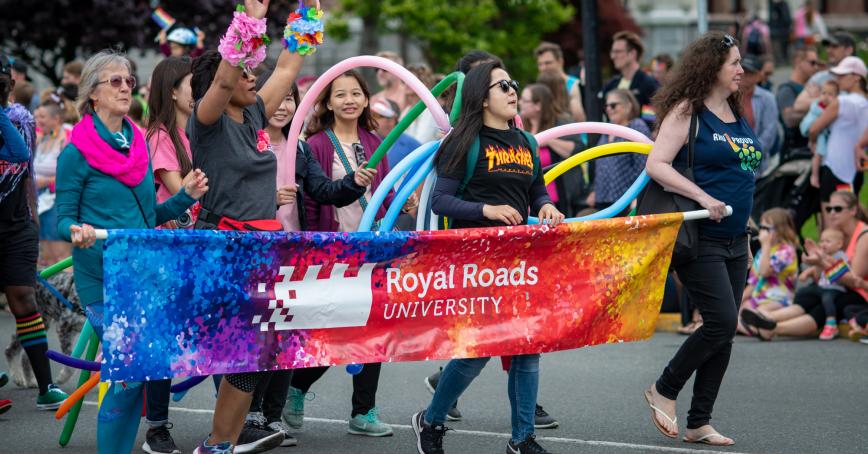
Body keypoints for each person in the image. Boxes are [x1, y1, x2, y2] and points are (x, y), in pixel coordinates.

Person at [55, 50, 208, 454]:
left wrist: (185, 197)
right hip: (102, 278)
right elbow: (60, 217)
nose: (126, 87)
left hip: (144, 273)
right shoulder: (76, 153)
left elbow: (149, 215)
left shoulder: (138, 144)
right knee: (127, 372)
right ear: (93, 95)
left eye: (129, 80)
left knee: (138, 370)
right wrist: (77, 231)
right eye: (115, 82)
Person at [411, 60, 564, 454]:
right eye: (502, 86)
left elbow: (537, 192)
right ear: (481, 99)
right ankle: (431, 420)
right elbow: (441, 198)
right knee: (477, 353)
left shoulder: (527, 143)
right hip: (479, 263)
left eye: (513, 83)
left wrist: (546, 207)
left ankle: (522, 439)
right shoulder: (465, 142)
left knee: (528, 348)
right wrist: (488, 210)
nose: (513, 91)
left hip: (522, 261)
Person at [186, 0, 315, 450]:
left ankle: (221, 442)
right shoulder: (207, 120)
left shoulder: (256, 112)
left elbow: (288, 64)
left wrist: (307, 17)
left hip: (262, 249)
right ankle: (208, 440)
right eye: (245, 72)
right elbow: (224, 77)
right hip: (221, 248)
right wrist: (252, 21)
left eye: (251, 72)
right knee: (241, 349)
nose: (251, 77)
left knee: (255, 356)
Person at [643, 32, 760, 446]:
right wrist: (702, 197)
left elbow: (744, 176)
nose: (740, 70)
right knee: (721, 323)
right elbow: (657, 163)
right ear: (712, 67)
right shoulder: (687, 111)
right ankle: (665, 388)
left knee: (724, 333)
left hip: (735, 238)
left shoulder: (735, 111)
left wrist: (748, 230)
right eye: (733, 63)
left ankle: (699, 421)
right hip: (701, 237)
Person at [245, 71, 373, 448]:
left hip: (295, 255)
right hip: (257, 250)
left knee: (289, 339)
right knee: (261, 340)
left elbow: (324, 190)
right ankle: (249, 415)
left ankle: (271, 416)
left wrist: (355, 183)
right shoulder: (249, 143)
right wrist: (269, 201)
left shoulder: (299, 149)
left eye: (290, 99)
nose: (283, 106)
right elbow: (229, 195)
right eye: (277, 98)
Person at [288, 69, 398, 438]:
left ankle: (364, 411)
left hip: (373, 249)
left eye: (355, 93)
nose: (349, 100)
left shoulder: (375, 140)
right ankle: (296, 389)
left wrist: (402, 201)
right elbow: (315, 194)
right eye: (340, 94)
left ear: (366, 99)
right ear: (328, 102)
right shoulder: (316, 143)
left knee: (375, 330)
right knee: (333, 331)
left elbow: (385, 193)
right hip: (332, 251)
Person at [2, 51, 70, 412]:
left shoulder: (20, 118)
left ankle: (46, 386)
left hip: (16, 225)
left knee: (24, 298)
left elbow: (17, 156)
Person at [741, 191, 868, 340]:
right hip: (835, 286)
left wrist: (821, 263)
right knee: (807, 295)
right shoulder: (835, 234)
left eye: (838, 209)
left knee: (824, 304)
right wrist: (815, 267)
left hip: (857, 293)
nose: (832, 213)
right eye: (828, 209)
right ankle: (766, 317)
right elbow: (825, 271)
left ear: (853, 210)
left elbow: (854, 280)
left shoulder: (863, 236)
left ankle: (773, 327)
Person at [807, 56, 867, 201]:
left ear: (856, 77)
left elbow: (813, 129)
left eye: (843, 75)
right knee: (851, 212)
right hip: (857, 169)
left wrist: (813, 142)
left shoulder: (843, 101)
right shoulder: (865, 102)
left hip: (835, 168)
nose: (838, 79)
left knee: (830, 215)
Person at [520, 83, 581, 214]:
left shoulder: (561, 123)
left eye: (525, 101)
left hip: (558, 200)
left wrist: (548, 140)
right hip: (529, 202)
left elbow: (577, 150)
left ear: (538, 105)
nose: (520, 103)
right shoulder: (519, 127)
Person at [588, 89, 651, 215]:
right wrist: (594, 190)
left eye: (613, 105)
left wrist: (638, 195)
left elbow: (644, 166)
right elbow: (600, 164)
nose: (609, 109)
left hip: (626, 199)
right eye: (606, 106)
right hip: (603, 198)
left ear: (628, 106)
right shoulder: (608, 129)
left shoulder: (636, 127)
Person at [737, 208, 798, 335]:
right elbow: (753, 283)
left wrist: (765, 245)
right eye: (761, 227)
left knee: (759, 312)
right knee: (737, 310)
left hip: (777, 299)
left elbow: (765, 272)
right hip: (758, 298)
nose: (762, 232)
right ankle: (748, 327)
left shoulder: (786, 251)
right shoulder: (761, 253)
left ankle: (752, 328)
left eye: (767, 228)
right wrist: (736, 302)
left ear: (780, 230)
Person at [33, 95, 72, 266]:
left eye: (41, 117)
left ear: (56, 118)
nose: (37, 121)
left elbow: (74, 171)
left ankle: (64, 292)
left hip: (58, 199)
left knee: (60, 255)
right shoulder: (42, 137)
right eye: (35, 116)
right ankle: (49, 292)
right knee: (46, 255)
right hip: (39, 199)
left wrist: (48, 180)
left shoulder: (68, 135)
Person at [797, 228, 849, 340]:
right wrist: (806, 273)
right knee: (803, 292)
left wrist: (822, 257)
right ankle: (800, 313)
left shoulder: (841, 255)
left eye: (828, 241)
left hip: (835, 288)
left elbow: (837, 267)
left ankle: (831, 323)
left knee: (827, 299)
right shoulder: (823, 254)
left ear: (839, 244)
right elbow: (817, 270)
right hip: (822, 286)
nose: (823, 244)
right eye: (822, 241)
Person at [601, 31, 660, 126]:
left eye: (617, 52)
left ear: (632, 53)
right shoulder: (611, 85)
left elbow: (651, 120)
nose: (613, 56)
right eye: (612, 52)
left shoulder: (648, 84)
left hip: (638, 138)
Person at [792, 31, 854, 118]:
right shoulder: (820, 77)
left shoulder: (860, 77)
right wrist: (823, 100)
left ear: (849, 50)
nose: (828, 50)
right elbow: (799, 105)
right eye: (828, 46)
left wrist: (823, 100)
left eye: (834, 46)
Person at [739, 54, 779, 171]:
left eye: (750, 72)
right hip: (731, 161)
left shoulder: (767, 98)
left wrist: (750, 156)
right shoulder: (727, 96)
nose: (744, 75)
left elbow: (769, 132)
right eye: (743, 71)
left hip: (757, 165)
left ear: (759, 75)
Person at [777, 46, 820, 155]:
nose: (816, 67)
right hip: (794, 153)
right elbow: (789, 120)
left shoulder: (813, 87)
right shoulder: (786, 90)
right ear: (798, 62)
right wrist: (818, 107)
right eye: (812, 63)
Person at [801, 79, 838, 189]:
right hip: (819, 136)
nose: (826, 97)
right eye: (823, 93)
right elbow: (810, 122)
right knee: (818, 155)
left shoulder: (834, 108)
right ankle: (814, 175)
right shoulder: (818, 107)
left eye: (830, 94)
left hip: (827, 138)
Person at [534, 42, 585, 122]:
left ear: (560, 61)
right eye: (540, 64)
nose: (543, 68)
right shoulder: (539, 87)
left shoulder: (575, 85)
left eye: (548, 63)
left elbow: (580, 121)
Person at [372, 99, 421, 169]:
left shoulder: (412, 146)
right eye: (371, 115)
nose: (371, 119)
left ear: (392, 120)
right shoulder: (364, 140)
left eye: (376, 115)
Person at [402, 63, 440, 144]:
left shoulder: (432, 110)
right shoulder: (406, 111)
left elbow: (421, 142)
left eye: (411, 79)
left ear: (424, 83)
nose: (406, 83)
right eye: (405, 80)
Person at [769, 0, 792, 64]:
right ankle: (780, 61)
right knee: (777, 47)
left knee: (784, 46)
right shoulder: (772, 4)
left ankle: (784, 60)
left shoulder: (784, 5)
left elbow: (787, 19)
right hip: (776, 31)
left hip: (783, 31)